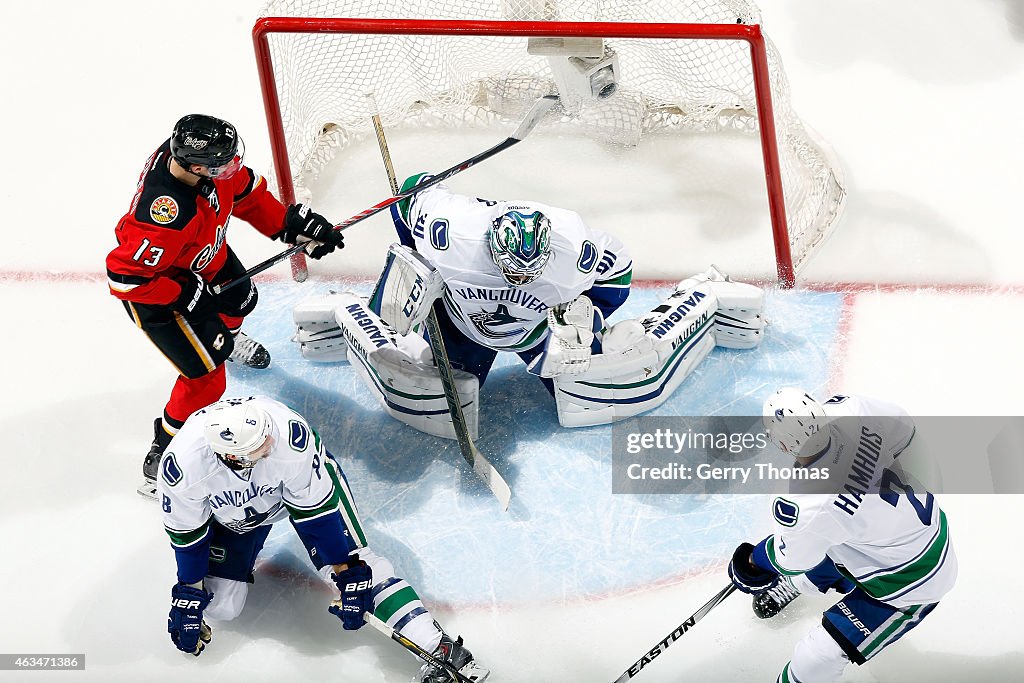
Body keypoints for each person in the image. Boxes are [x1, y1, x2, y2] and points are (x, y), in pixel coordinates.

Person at [291, 176, 765, 435]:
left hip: (538, 333)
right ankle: (343, 313)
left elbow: (618, 272)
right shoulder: (453, 231)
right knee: (444, 388)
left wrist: (588, 312)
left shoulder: (571, 246)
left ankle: (701, 296)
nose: (520, 278)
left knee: (591, 390)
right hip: (459, 323)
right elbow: (409, 194)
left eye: (529, 272)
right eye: (511, 269)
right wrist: (414, 256)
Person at [157, 395, 489, 683]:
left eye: (266, 436)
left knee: (363, 570)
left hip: (302, 491)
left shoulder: (287, 436)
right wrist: (189, 594)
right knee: (221, 607)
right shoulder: (183, 468)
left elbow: (317, 512)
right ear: (233, 457)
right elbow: (188, 538)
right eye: (260, 447)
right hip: (236, 516)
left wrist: (347, 571)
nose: (270, 443)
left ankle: (440, 647)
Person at [105, 114, 344, 496]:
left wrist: (289, 224)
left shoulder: (200, 167)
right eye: (224, 163)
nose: (234, 166)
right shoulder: (164, 214)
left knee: (241, 298)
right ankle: (164, 454)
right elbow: (126, 278)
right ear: (198, 167)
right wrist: (184, 294)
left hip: (200, 255)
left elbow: (245, 192)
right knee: (206, 380)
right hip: (161, 297)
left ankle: (222, 341)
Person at [727, 388, 957, 683]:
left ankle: (805, 585)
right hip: (921, 531)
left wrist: (750, 564)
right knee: (836, 537)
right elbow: (904, 427)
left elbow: (790, 559)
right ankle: (801, 585)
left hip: (910, 585)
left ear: (781, 444)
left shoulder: (806, 500)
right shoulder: (852, 409)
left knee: (815, 656)